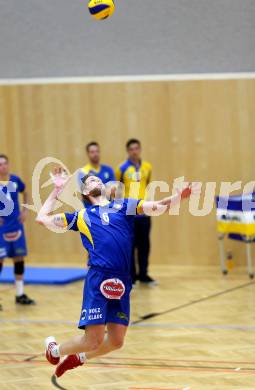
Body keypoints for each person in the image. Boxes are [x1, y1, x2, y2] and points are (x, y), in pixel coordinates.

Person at [36, 167, 194, 378]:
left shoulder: (123, 206)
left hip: (122, 279)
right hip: (98, 278)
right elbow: (42, 218)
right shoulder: (81, 216)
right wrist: (57, 189)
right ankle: (54, 352)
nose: (96, 181)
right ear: (84, 192)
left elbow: (157, 207)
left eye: (98, 179)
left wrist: (178, 197)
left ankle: (79, 358)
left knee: (117, 341)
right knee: (93, 340)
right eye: (91, 180)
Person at [116, 139, 154, 285]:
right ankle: (131, 276)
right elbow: (118, 189)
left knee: (144, 245)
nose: (134, 151)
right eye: (131, 149)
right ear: (127, 151)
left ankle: (143, 274)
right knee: (130, 245)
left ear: (140, 149)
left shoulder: (147, 167)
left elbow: (148, 184)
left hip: (144, 212)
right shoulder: (122, 168)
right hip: (129, 214)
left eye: (137, 148)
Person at [0, 154, 35, 305]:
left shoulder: (15, 180)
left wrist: (25, 210)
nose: (3, 167)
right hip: (1, 228)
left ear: (8, 165)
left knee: (19, 259)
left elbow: (25, 191)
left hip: (16, 225)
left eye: (4, 164)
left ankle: (20, 294)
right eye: (0, 165)